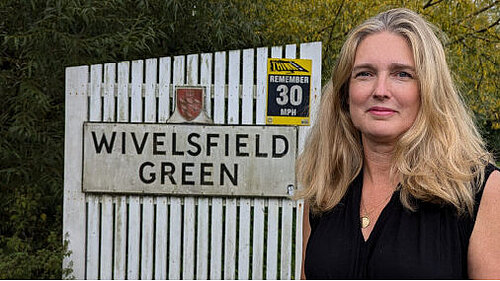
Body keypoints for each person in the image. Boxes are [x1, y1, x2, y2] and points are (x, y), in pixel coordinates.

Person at [297, 8, 499, 279]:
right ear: (345, 93)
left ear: (429, 90)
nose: (380, 90)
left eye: (402, 74)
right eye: (364, 74)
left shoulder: (480, 191)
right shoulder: (325, 190)